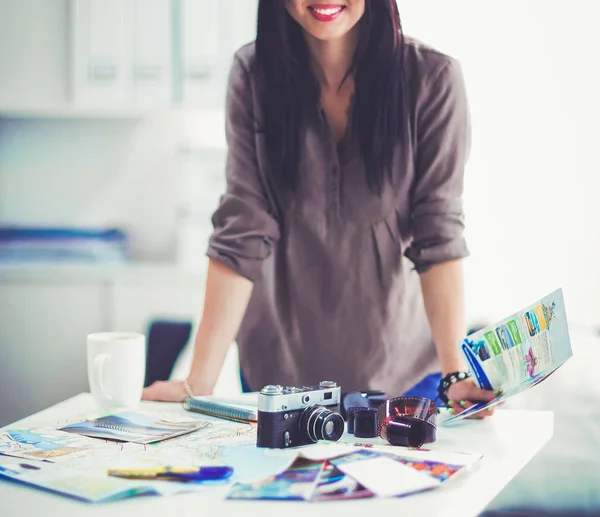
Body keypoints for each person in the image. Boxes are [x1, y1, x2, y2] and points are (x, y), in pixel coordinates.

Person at [144, 0, 497, 418]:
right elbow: (241, 229)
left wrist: (455, 375)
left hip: (403, 375)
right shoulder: (254, 73)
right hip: (278, 376)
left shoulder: (432, 79)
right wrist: (197, 383)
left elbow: (438, 235)